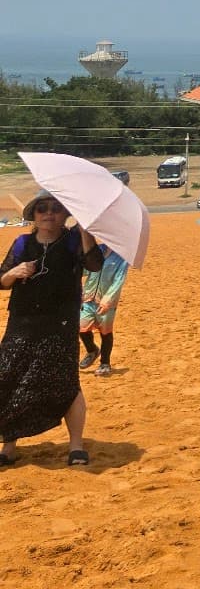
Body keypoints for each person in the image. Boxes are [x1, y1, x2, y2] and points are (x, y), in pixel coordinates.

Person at [0, 192, 105, 467]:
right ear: (33, 216)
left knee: (66, 383)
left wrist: (85, 230)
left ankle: (76, 447)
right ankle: (9, 447)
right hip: (21, 323)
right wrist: (15, 272)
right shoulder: (22, 243)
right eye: (42, 209)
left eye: (57, 209)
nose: (49, 213)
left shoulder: (73, 241)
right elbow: (2, 280)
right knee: (9, 379)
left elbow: (95, 264)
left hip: (60, 323)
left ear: (66, 214)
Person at [78, 242, 128, 378]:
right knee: (81, 327)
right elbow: (86, 270)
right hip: (88, 297)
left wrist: (108, 299)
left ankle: (105, 363)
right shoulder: (98, 250)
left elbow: (119, 280)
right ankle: (92, 350)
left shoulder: (123, 257)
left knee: (105, 331)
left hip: (106, 301)